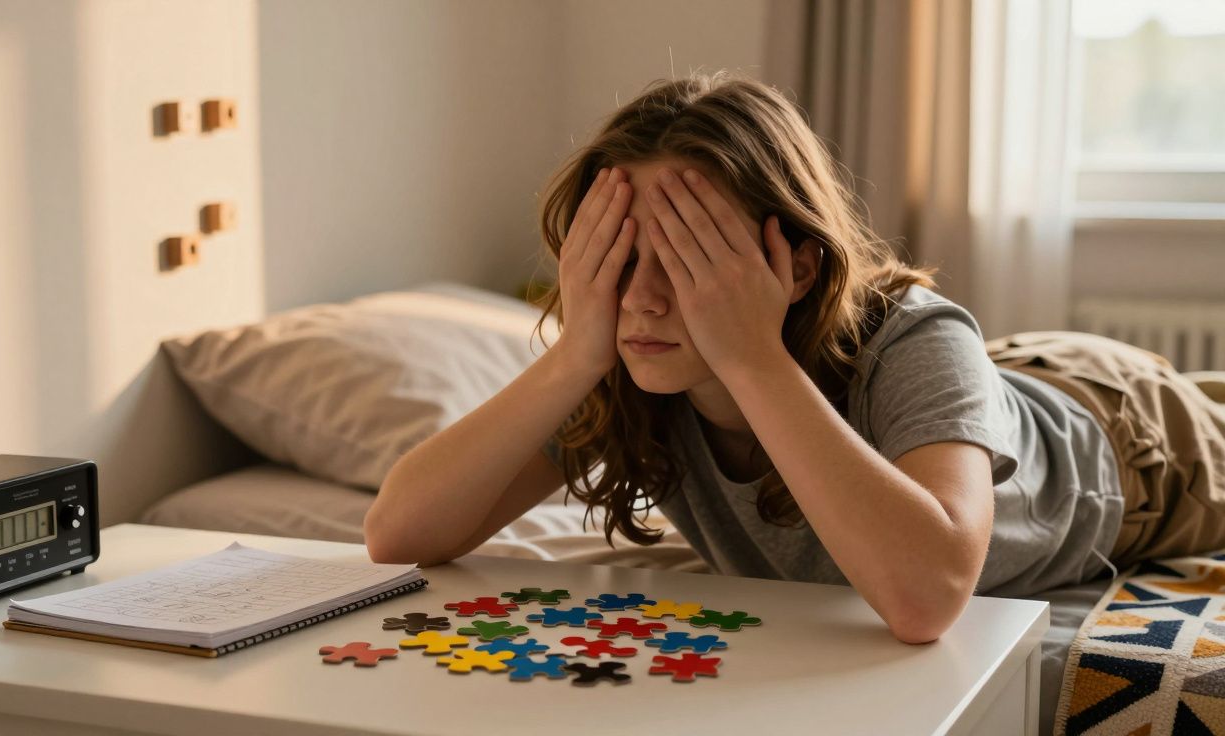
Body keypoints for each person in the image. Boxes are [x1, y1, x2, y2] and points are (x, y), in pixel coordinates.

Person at [364, 71, 1225, 644]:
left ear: (798, 264)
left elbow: (927, 597)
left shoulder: (915, 335)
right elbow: (398, 534)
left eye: (692, 259)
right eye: (619, 260)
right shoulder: (635, 357)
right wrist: (575, 355)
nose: (645, 299)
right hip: (989, 395)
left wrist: (753, 358)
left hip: (1135, 439)